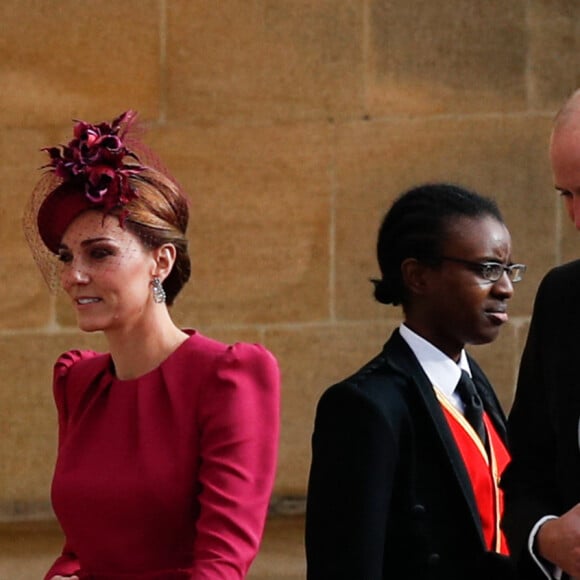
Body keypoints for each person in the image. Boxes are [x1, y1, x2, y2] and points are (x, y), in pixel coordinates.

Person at [23, 111, 280, 580]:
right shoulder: (78, 382)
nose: (73, 275)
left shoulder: (229, 376)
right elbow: (80, 545)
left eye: (99, 253)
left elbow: (220, 566)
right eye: (67, 256)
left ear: (160, 262)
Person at [305, 183, 525, 580]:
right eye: (487, 269)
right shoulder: (364, 406)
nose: (506, 287)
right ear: (418, 276)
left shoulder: (477, 387)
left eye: (509, 270)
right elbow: (347, 565)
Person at [501, 89, 580, 580]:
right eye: (567, 194)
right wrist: (545, 534)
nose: (577, 219)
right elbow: (524, 471)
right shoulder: (563, 298)